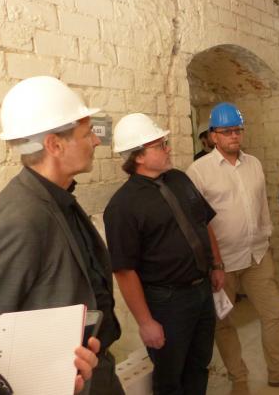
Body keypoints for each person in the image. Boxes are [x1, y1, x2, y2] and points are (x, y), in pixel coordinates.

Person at [0, 76, 124, 394]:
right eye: (87, 133)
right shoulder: (21, 217)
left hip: (92, 371)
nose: (96, 141)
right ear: (54, 145)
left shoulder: (57, 198)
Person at [187, 102, 279, 394]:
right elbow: (196, 222)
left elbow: (261, 207)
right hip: (222, 265)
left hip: (257, 256)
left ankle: (278, 371)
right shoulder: (198, 172)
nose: (234, 135)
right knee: (223, 324)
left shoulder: (254, 164)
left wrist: (266, 237)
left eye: (238, 130)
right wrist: (212, 263)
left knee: (274, 313)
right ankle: (239, 380)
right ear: (213, 136)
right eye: (227, 131)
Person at [103, 113, 226, 395]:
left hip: (202, 290)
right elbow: (124, 270)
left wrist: (216, 264)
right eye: (160, 145)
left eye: (165, 143)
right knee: (170, 378)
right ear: (139, 157)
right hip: (167, 301)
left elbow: (203, 223)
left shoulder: (180, 179)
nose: (168, 148)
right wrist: (146, 322)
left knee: (199, 365)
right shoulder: (122, 206)